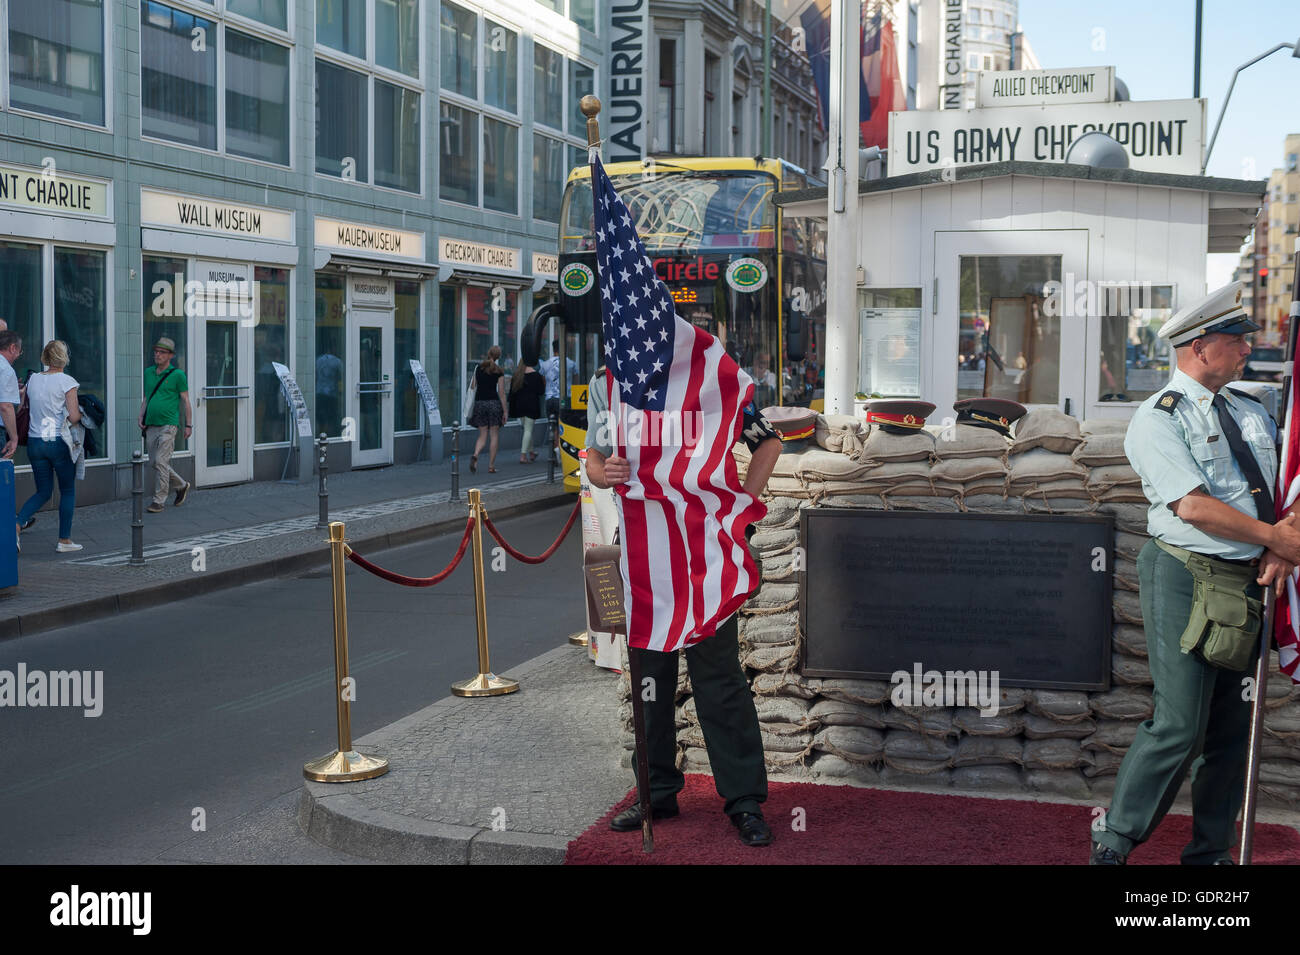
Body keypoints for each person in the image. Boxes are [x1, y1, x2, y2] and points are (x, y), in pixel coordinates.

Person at [1091, 282, 1300, 865]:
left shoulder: (1251, 409)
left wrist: (1284, 545)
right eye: (1236, 341)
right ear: (1200, 348)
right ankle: (1112, 844)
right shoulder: (1156, 419)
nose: (1245, 350)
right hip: (1187, 574)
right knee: (1179, 724)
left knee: (1231, 737)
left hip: (1251, 579)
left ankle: (1207, 859)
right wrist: (1275, 539)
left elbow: (1289, 486)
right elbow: (1193, 506)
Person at [584, 370, 784, 848]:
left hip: (704, 560)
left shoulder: (708, 378)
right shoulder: (607, 383)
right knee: (648, 681)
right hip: (640, 556)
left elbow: (769, 443)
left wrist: (740, 506)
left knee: (720, 681)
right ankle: (655, 794)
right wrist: (601, 473)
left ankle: (744, 802)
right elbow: (592, 457)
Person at [16, 341, 83, 553]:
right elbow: (73, 417)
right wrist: (82, 414)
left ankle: (16, 525)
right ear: (64, 357)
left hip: (35, 442)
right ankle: (64, 540)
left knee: (43, 491)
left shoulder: (33, 379)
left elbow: (23, 405)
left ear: (45, 357)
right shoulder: (67, 381)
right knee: (67, 491)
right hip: (57, 442)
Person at [138, 337, 192, 513]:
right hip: (151, 424)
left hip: (169, 424)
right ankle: (182, 485)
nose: (157, 354)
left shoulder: (178, 375)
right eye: (156, 351)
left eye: (162, 352)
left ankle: (158, 500)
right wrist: (141, 415)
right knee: (154, 462)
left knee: (161, 461)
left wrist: (188, 425)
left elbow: (186, 401)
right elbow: (147, 397)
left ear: (170, 356)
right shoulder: (148, 373)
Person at [468, 345, 508, 473]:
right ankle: (491, 466)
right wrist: (505, 411)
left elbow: (473, 386)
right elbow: (501, 393)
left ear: (488, 353)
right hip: (493, 404)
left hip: (480, 403)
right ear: (498, 357)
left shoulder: (478, 369)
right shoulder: (499, 371)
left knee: (482, 435)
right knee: (494, 435)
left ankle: (475, 454)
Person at [508, 359, 546, 464]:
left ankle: (531, 452)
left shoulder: (517, 375)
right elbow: (541, 391)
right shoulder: (536, 375)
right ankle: (523, 455)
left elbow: (512, 393)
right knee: (528, 430)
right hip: (531, 405)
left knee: (526, 430)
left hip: (520, 406)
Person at [0, 331, 21, 460]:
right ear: (12, 348)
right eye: (19, 351)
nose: (18, 356)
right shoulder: (5, 369)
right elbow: (5, 406)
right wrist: (14, 438)